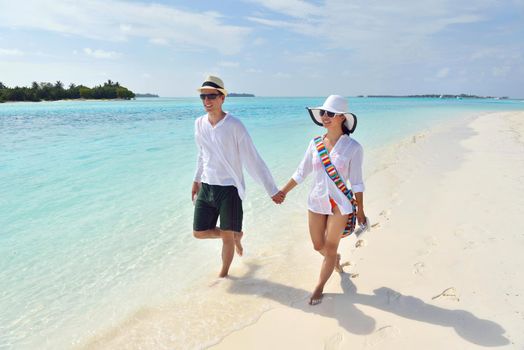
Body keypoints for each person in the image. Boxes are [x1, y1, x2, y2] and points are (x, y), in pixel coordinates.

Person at [192, 75, 285, 278]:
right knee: (198, 232)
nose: (207, 101)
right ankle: (234, 234)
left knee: (226, 237)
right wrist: (196, 179)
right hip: (207, 186)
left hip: (229, 189)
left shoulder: (235, 125)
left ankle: (223, 275)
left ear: (222, 98)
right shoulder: (199, 124)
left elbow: (253, 159)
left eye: (212, 96)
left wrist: (272, 190)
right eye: (203, 97)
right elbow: (201, 154)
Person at [279, 95, 368, 305]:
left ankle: (319, 286)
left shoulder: (354, 148)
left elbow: (356, 182)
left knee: (329, 248)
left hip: (340, 205)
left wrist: (361, 210)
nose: (324, 117)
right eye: (323, 113)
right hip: (316, 202)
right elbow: (301, 172)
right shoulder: (315, 143)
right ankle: (334, 260)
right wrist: (282, 192)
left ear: (341, 118)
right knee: (317, 245)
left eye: (329, 113)